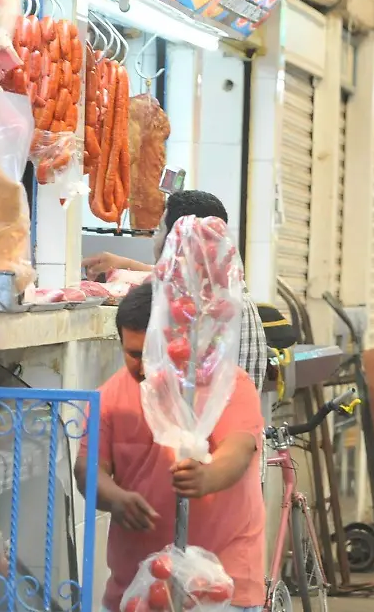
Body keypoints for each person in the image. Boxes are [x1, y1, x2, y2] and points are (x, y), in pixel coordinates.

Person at [75, 285, 266, 612]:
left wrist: (207, 476)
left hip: (221, 585)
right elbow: (87, 468)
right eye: (133, 354)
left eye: (152, 354)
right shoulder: (109, 397)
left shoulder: (227, 384)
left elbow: (239, 449)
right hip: (137, 588)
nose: (144, 367)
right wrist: (115, 498)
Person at [83, 191, 269, 390]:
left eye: (159, 230)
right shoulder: (222, 285)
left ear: (177, 238)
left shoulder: (202, 303)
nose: (155, 239)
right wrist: (124, 264)